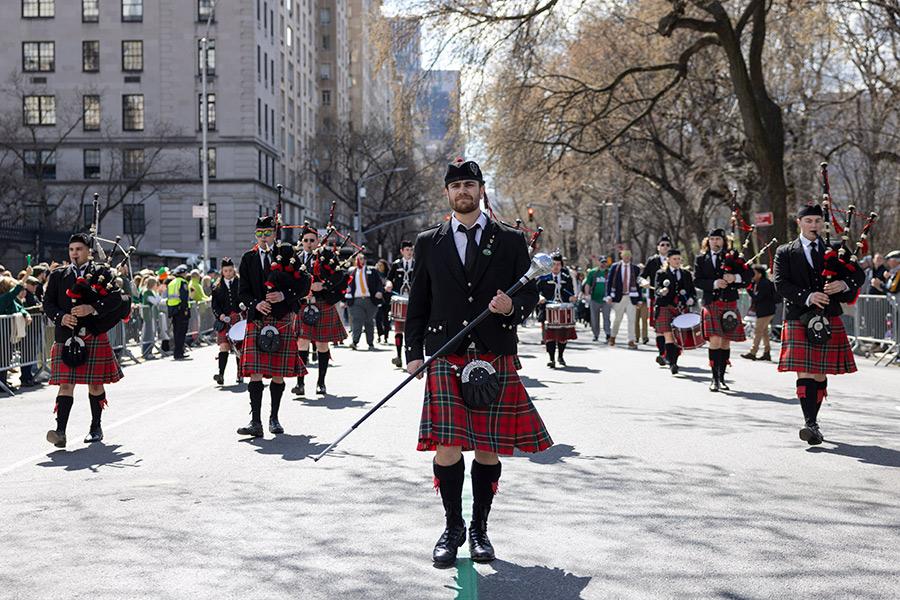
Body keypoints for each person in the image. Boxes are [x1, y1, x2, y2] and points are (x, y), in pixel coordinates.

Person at [405, 158, 552, 567]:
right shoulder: (428, 241)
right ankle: (452, 526)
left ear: (481, 189)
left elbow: (529, 294)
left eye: (470, 184)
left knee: (488, 448)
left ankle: (479, 529)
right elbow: (419, 301)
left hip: (492, 352)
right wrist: (413, 354)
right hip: (445, 353)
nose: (463, 192)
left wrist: (511, 307)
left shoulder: (508, 239)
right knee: (448, 447)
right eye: (456, 186)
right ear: (447, 193)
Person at [773, 204, 865, 445]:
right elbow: (780, 284)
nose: (814, 225)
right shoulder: (785, 252)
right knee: (805, 370)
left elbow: (858, 276)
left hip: (828, 316)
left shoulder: (836, 250)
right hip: (798, 316)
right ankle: (810, 423)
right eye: (809, 221)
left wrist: (842, 285)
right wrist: (808, 296)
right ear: (799, 222)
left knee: (819, 372)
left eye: (817, 221)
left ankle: (812, 421)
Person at [42, 233, 126, 447]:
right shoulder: (58, 276)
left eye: (79, 249)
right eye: (71, 250)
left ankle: (95, 427)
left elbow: (118, 298)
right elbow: (48, 304)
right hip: (66, 337)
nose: (74, 254)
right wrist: (61, 317)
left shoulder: (101, 272)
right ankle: (60, 432)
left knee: (95, 384)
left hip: (92, 334)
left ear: (88, 251)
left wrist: (93, 307)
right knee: (65, 385)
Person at [236, 215, 310, 437]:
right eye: (259, 233)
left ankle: (274, 418)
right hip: (257, 319)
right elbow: (243, 291)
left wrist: (284, 295)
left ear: (274, 234)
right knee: (255, 372)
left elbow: (304, 283)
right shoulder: (248, 258)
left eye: (267, 233)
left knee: (278, 373)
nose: (263, 237)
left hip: (281, 318)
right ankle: (255, 422)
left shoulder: (287, 255)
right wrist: (255, 303)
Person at [694, 228, 752, 392]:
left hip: (729, 303)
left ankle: (722, 377)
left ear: (723, 241)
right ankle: (714, 378)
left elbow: (748, 277)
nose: (715, 242)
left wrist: (735, 278)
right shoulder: (701, 259)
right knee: (715, 340)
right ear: (708, 241)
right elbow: (697, 281)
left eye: (718, 239)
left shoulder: (733, 257)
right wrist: (714, 283)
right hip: (712, 303)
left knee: (725, 341)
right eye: (712, 239)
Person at [293, 226, 348, 397]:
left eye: (312, 240)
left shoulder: (326, 257)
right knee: (302, 343)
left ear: (317, 241)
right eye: (306, 240)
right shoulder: (296, 259)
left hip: (322, 304)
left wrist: (323, 285)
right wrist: (301, 291)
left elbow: (340, 276)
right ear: (302, 242)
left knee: (322, 344)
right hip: (304, 305)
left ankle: (321, 383)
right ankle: (300, 383)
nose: (309, 243)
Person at [652, 249, 696, 374]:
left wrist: (691, 299)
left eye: (678, 259)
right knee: (669, 335)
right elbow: (657, 289)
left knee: (678, 336)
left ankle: (672, 359)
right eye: (674, 259)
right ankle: (673, 363)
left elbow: (691, 291)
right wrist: (661, 292)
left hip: (680, 307)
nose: (677, 261)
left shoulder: (686, 274)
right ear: (668, 260)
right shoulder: (661, 273)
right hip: (665, 306)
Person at [537, 254, 577, 368]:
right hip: (547, 310)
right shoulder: (543, 278)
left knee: (562, 335)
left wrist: (571, 298)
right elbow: (536, 291)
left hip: (563, 310)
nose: (556, 267)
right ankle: (551, 359)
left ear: (561, 265)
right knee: (549, 336)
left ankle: (560, 356)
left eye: (558, 264)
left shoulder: (566, 278)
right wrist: (540, 298)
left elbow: (570, 293)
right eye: (553, 264)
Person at [211, 258, 243, 385]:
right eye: (225, 271)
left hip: (239, 318)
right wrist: (221, 315)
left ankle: (240, 374)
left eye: (230, 270)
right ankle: (221, 374)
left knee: (239, 348)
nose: (228, 273)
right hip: (224, 320)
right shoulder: (216, 286)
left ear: (233, 270)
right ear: (222, 271)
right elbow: (214, 305)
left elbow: (245, 298)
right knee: (223, 346)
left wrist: (243, 306)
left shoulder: (241, 283)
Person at [641, 235, 672, 363]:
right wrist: (643, 282)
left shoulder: (674, 259)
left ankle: (671, 354)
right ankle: (662, 354)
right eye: (662, 245)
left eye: (667, 245)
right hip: (656, 298)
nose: (665, 247)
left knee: (670, 329)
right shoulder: (652, 261)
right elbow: (642, 276)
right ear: (658, 247)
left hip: (672, 299)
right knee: (659, 328)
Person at [605, 249, 643, 348]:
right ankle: (613, 337)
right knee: (618, 318)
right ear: (621, 256)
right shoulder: (615, 267)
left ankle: (631, 340)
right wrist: (609, 295)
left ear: (630, 257)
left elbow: (639, 285)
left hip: (631, 297)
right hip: (619, 297)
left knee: (632, 319)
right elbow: (609, 282)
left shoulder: (635, 268)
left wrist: (639, 299)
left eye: (628, 256)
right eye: (624, 256)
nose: (626, 258)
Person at [345, 254, 384, 350]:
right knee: (357, 320)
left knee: (369, 321)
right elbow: (346, 285)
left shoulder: (372, 270)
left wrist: (379, 291)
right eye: (359, 259)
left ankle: (370, 343)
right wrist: (343, 300)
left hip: (370, 300)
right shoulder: (352, 271)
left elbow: (379, 282)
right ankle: (355, 341)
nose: (361, 261)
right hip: (356, 300)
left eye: (362, 259)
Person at [387, 241, 416, 367]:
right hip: (399, 300)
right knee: (399, 331)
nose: (409, 252)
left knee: (412, 332)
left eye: (411, 249)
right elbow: (389, 278)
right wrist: (388, 284)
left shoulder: (417, 263)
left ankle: (411, 357)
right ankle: (398, 356)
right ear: (402, 251)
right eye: (407, 250)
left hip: (414, 301)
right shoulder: (396, 264)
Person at [742, 266, 779, 361]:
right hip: (764, 310)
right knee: (764, 332)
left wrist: (749, 291)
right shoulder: (758, 283)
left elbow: (758, 297)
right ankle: (767, 352)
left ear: (760, 274)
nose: (752, 275)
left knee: (758, 331)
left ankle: (753, 352)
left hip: (766, 311)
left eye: (754, 273)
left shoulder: (764, 283)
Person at [166, 264, 191, 360]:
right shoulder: (183, 282)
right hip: (181, 310)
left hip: (174, 310)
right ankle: (179, 353)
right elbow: (184, 298)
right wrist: (185, 310)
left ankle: (177, 352)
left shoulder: (172, 282)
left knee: (176, 332)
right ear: (183, 273)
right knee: (181, 332)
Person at [583, 255, 611, 342]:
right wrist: (587, 295)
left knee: (606, 317)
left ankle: (608, 334)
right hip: (594, 298)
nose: (603, 264)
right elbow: (588, 284)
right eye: (601, 262)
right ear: (598, 262)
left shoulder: (609, 272)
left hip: (606, 299)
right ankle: (595, 335)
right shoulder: (593, 272)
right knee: (594, 318)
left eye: (605, 262)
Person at [374, 258, 391, 344]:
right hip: (378, 299)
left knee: (386, 319)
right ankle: (380, 334)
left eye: (381, 266)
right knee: (377, 318)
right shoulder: (375, 275)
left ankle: (386, 336)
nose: (380, 267)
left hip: (387, 299)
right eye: (378, 265)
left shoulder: (388, 275)